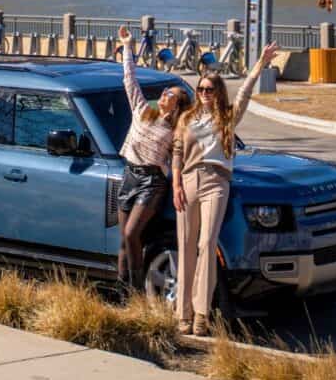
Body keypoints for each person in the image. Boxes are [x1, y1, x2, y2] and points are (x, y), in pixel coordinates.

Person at [172, 41, 279, 335]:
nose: (204, 94)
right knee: (186, 246)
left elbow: (245, 93)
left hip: (216, 182)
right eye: (200, 89)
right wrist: (176, 185)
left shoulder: (227, 118)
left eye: (209, 89)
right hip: (189, 181)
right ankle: (182, 313)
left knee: (207, 244)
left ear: (217, 92)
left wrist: (260, 65)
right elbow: (177, 153)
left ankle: (201, 315)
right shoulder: (187, 118)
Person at [117, 25, 191, 294]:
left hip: (152, 181)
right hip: (129, 175)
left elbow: (181, 158)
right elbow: (129, 80)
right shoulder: (142, 110)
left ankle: (136, 290)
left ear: (178, 105)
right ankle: (125, 294)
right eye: (164, 92)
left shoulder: (176, 129)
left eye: (170, 95)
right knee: (124, 243)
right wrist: (127, 47)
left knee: (131, 234)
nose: (164, 95)